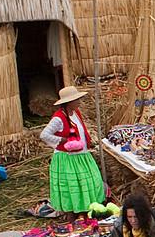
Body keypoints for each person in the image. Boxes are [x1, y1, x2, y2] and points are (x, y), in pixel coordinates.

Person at [40, 86, 106, 220]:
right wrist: (61, 140)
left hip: (82, 154)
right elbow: (44, 135)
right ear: (68, 102)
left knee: (91, 180)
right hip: (67, 158)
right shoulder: (58, 119)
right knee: (72, 185)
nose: (79, 102)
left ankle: (86, 208)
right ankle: (72, 211)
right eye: (76, 100)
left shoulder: (75, 113)